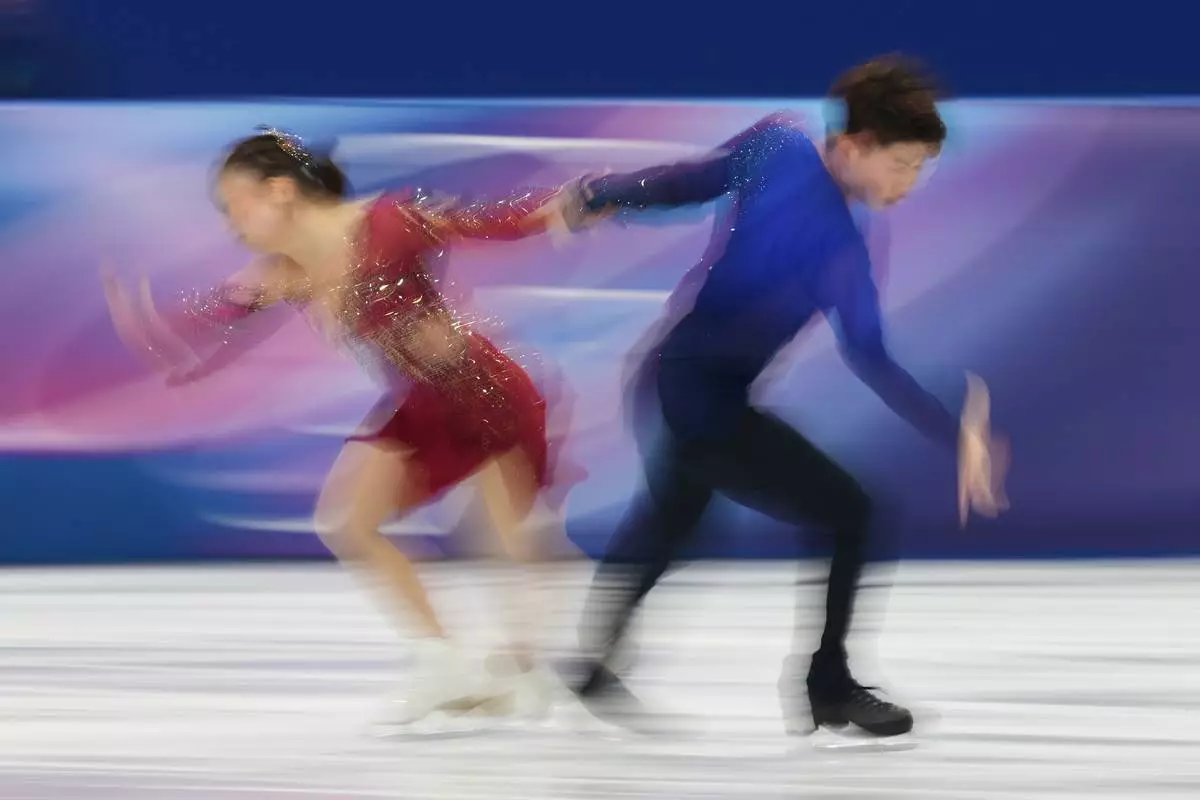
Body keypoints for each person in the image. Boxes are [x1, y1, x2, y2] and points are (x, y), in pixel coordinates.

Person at [554, 55, 1009, 738]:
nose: (910, 184)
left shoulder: (806, 184)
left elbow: (870, 354)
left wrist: (603, 193)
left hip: (676, 380)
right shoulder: (811, 199)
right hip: (697, 398)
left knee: (676, 523)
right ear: (855, 146)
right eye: (904, 164)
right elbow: (690, 180)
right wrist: (600, 193)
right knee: (853, 513)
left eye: (923, 169)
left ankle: (591, 661)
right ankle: (827, 686)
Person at [102, 128, 574, 730]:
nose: (231, 224)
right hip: (425, 404)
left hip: (488, 393)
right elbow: (214, 319)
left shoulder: (387, 221)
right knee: (348, 521)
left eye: (235, 204)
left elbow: (482, 222)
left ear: (278, 192)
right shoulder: (284, 272)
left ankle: (527, 674)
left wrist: (563, 208)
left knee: (510, 538)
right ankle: (442, 663)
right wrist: (149, 325)